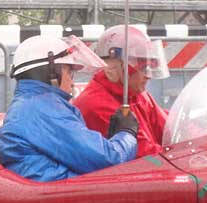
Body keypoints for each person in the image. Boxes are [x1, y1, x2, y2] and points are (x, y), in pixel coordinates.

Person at [0, 35, 139, 182]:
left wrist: (113, 138)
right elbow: (109, 160)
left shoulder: (35, 105)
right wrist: (127, 133)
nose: (72, 80)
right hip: (56, 198)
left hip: (59, 193)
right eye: (69, 72)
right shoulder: (42, 109)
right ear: (52, 71)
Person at [73, 25, 170, 158]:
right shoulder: (96, 104)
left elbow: (169, 128)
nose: (148, 75)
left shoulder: (137, 95)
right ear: (114, 67)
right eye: (141, 67)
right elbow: (144, 156)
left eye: (149, 66)